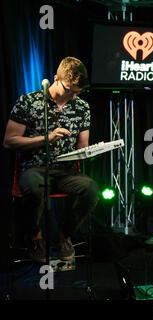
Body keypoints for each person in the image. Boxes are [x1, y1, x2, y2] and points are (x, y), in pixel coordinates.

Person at [3, 56, 99, 263]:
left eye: (78, 92)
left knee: (90, 190)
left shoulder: (82, 107)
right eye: (69, 90)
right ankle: (35, 236)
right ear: (56, 79)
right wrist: (47, 139)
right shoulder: (29, 102)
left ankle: (64, 236)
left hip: (65, 170)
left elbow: (82, 145)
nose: (73, 96)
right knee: (36, 188)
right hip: (34, 168)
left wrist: (92, 151)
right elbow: (9, 141)